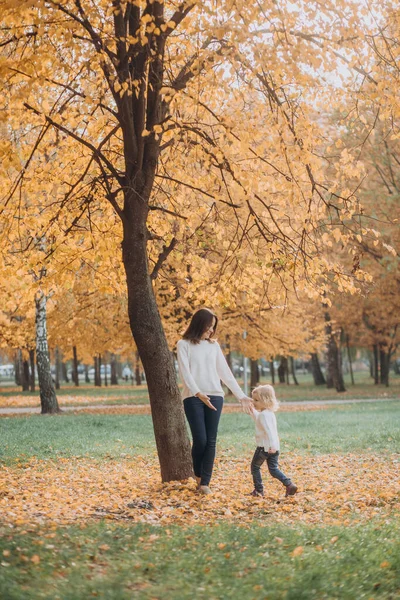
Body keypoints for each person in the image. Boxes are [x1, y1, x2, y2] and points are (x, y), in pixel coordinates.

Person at [177, 308, 253, 495]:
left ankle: (205, 484)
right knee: (200, 439)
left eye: (213, 327)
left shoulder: (213, 346)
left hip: (215, 395)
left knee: (211, 440)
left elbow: (224, 372)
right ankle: (197, 474)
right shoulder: (183, 344)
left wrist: (241, 395)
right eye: (209, 326)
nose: (211, 331)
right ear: (199, 324)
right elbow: (185, 373)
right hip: (193, 397)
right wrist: (197, 392)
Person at [249, 384, 297, 498]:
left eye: (256, 400)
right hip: (274, 448)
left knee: (255, 467)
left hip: (264, 448)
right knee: (273, 469)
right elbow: (258, 419)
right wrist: (251, 410)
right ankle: (289, 484)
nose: (254, 402)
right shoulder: (268, 413)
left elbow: (269, 431)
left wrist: (270, 446)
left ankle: (259, 490)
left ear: (265, 400)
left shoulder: (264, 415)